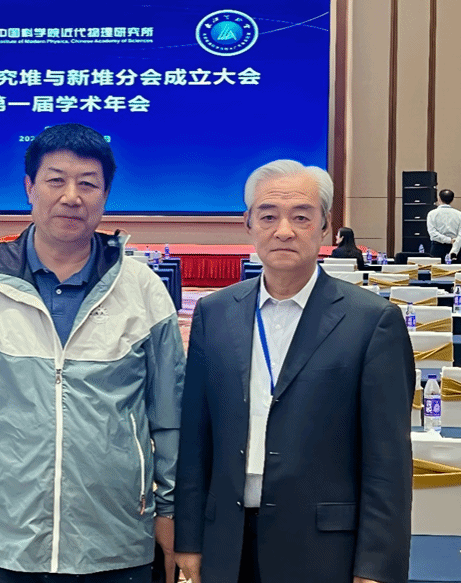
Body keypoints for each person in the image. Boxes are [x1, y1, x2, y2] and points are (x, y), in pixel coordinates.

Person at [0, 123, 185, 582]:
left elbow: (170, 416)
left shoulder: (142, 289)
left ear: (106, 194)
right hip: (2, 537)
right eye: (56, 180)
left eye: (88, 183)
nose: (71, 196)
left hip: (117, 537)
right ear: (30, 188)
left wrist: (171, 508)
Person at [174, 159, 414, 583]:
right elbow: (196, 438)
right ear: (248, 224)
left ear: (324, 226)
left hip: (324, 552)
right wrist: (189, 540)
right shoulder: (215, 313)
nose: (283, 230)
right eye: (268, 216)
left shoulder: (372, 321)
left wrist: (376, 567)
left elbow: (388, 461)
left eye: (301, 217)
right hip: (226, 543)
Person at [426, 188, 461, 261]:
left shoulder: (432, 214)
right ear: (452, 200)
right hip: (455, 248)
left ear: (439, 199)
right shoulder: (460, 214)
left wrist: (448, 240)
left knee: (436, 268)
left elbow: (433, 234)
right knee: (456, 268)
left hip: (437, 248)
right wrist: (454, 250)